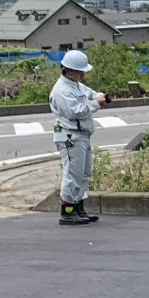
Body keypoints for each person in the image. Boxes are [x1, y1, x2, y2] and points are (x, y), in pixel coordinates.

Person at [50, 48, 109, 227]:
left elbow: (90, 93)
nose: (83, 75)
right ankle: (67, 212)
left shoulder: (75, 85)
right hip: (69, 136)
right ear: (69, 70)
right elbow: (76, 111)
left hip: (80, 135)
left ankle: (78, 208)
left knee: (84, 173)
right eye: (80, 71)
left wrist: (99, 96)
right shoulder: (61, 90)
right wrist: (96, 103)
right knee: (72, 174)